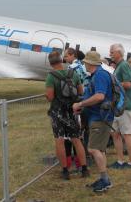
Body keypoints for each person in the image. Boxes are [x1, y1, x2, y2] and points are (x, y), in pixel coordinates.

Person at [72, 51, 115, 192]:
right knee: (100, 149)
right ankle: (104, 178)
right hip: (100, 116)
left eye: (85, 62)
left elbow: (99, 96)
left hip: (100, 117)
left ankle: (105, 180)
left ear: (90, 63)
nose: (84, 64)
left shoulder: (100, 75)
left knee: (93, 149)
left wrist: (81, 104)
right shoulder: (99, 74)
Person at [45, 51, 88, 180]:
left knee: (59, 140)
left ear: (50, 62)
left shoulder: (51, 76)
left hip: (57, 112)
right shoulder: (72, 73)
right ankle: (84, 169)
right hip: (72, 111)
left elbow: (50, 97)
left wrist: (46, 95)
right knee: (76, 139)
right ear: (61, 60)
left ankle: (65, 171)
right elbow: (80, 91)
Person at [108, 44, 131, 169]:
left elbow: (129, 84)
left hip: (125, 105)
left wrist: (114, 83)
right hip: (118, 106)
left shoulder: (124, 65)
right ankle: (120, 160)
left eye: (112, 52)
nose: (110, 54)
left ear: (119, 53)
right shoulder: (119, 66)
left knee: (126, 134)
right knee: (115, 134)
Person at [63, 48, 89, 170]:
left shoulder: (72, 68)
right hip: (83, 100)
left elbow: (70, 87)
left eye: (66, 56)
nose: (65, 58)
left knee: (69, 137)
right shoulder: (82, 66)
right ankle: (81, 164)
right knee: (80, 134)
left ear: (72, 55)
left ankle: (70, 164)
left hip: (74, 103)